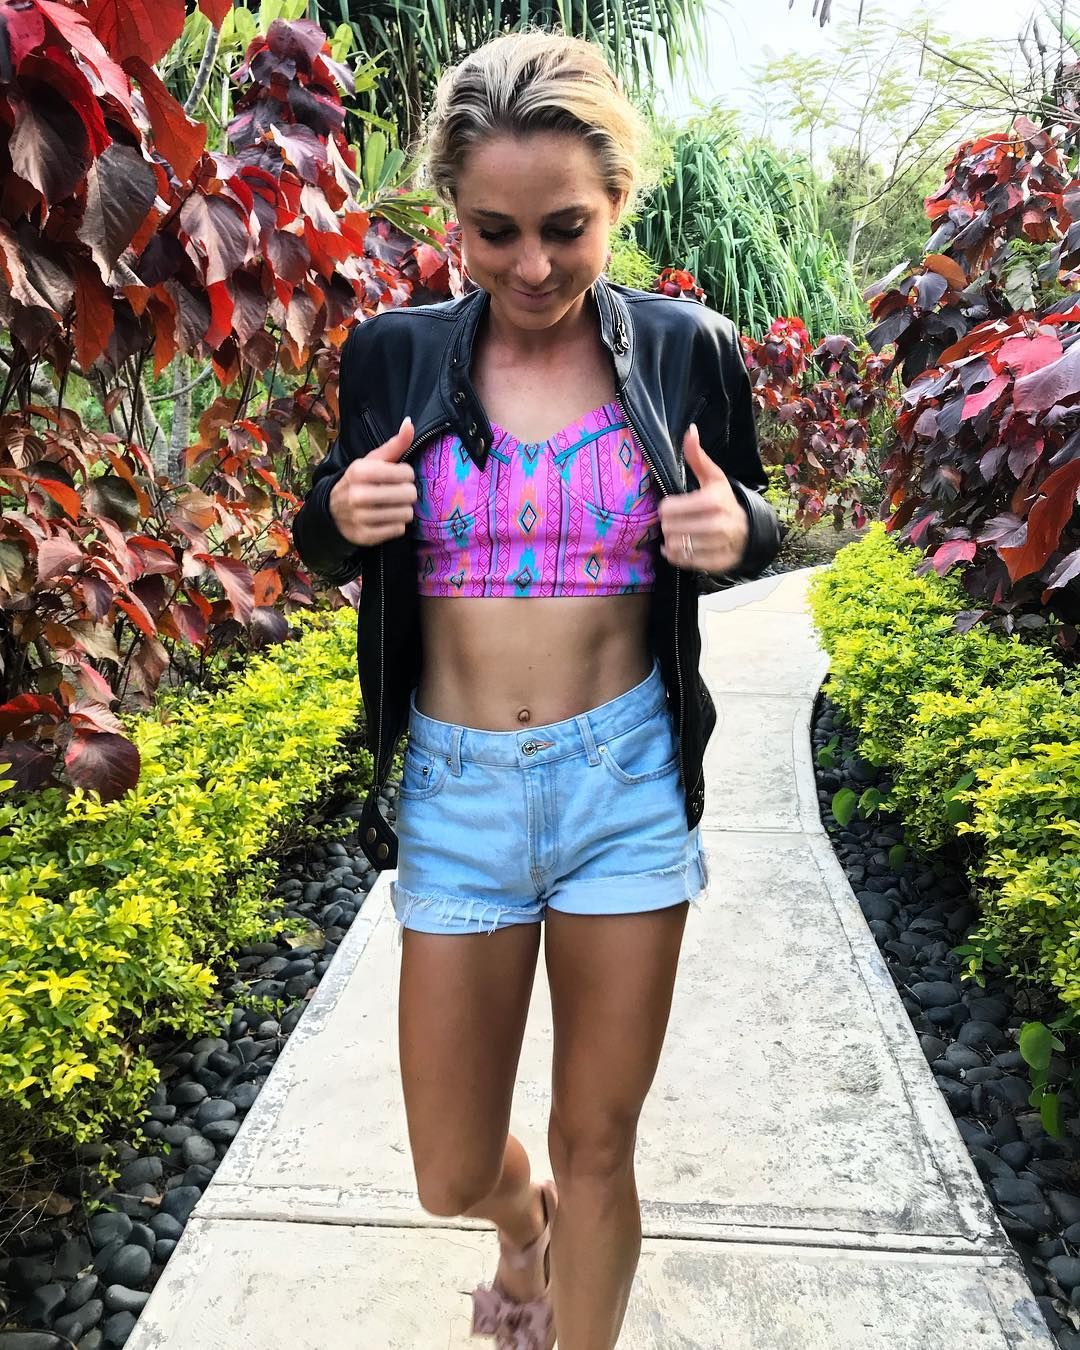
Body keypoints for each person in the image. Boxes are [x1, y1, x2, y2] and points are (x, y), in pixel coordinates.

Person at [291, 29, 781, 1350]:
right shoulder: (390, 355)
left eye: (567, 228)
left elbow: (753, 512)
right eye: (493, 233)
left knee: (600, 1139)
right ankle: (524, 1222)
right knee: (449, 1167)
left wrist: (739, 533)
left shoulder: (686, 347)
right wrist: (339, 516)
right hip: (456, 792)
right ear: (451, 216)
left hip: (623, 781)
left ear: (617, 198)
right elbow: (324, 530)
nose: (532, 266)